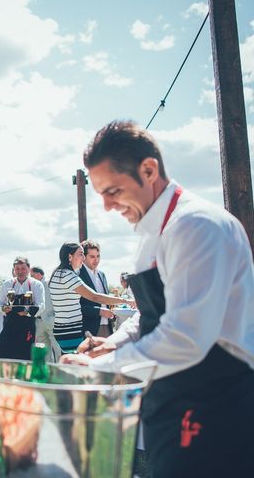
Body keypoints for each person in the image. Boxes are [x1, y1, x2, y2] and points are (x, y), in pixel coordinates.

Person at [63, 120, 254, 476]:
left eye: (113, 190)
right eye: (101, 193)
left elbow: (185, 338)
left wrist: (100, 368)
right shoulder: (153, 231)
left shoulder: (198, 227)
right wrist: (114, 342)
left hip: (214, 403)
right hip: (169, 398)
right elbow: (152, 312)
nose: (106, 206)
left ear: (149, 170)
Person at [49, 242, 132, 354]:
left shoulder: (58, 273)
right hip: (70, 330)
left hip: (64, 328)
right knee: (75, 366)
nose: (83, 258)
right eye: (80, 254)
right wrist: (126, 301)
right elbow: (95, 297)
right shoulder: (68, 275)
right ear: (70, 256)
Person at [0, 257, 45, 360]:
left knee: (25, 356)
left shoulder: (37, 285)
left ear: (29, 269)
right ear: (14, 270)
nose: (20, 271)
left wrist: (27, 312)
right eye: (17, 269)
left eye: (23, 268)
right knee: (2, 352)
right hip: (9, 326)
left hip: (27, 327)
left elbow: (42, 306)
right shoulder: (7, 284)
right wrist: (3, 309)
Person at [79, 240, 115, 337]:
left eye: (98, 256)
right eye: (92, 257)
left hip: (107, 326)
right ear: (84, 257)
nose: (96, 260)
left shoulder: (101, 275)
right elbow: (77, 305)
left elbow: (105, 300)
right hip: (89, 329)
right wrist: (99, 311)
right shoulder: (78, 275)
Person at [31, 266, 60, 363]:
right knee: (43, 352)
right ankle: (47, 374)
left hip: (50, 321)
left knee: (57, 349)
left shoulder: (48, 283)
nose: (30, 278)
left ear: (39, 275)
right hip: (39, 322)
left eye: (32, 275)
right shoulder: (34, 285)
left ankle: (61, 371)